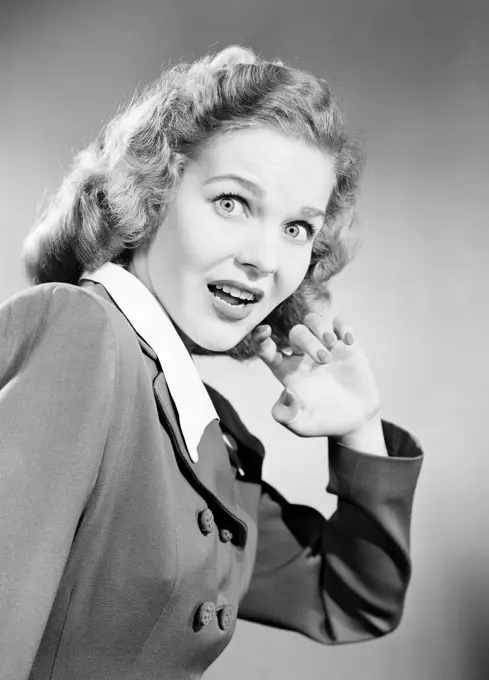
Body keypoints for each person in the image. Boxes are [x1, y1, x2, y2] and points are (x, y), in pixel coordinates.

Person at [0, 46, 423, 680]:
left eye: (298, 229)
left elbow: (351, 600)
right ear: (151, 195)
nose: (264, 258)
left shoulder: (196, 420)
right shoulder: (80, 333)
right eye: (232, 203)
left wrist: (360, 429)